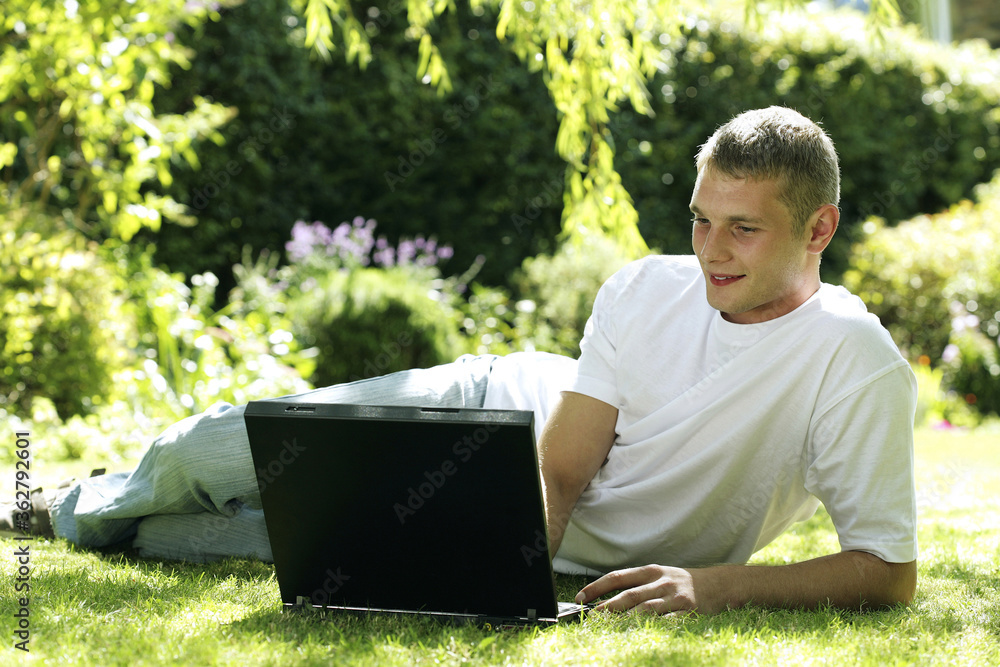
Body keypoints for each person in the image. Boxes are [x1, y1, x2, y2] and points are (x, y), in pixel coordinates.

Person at [13, 106, 917, 615]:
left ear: (818, 228)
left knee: (201, 540)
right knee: (218, 449)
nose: (710, 250)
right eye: (700, 218)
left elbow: (885, 567)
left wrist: (713, 584)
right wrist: (508, 564)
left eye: (742, 228)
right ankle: (52, 503)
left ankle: (113, 505)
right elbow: (562, 469)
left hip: (552, 548)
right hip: (495, 416)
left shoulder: (854, 360)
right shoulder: (645, 289)